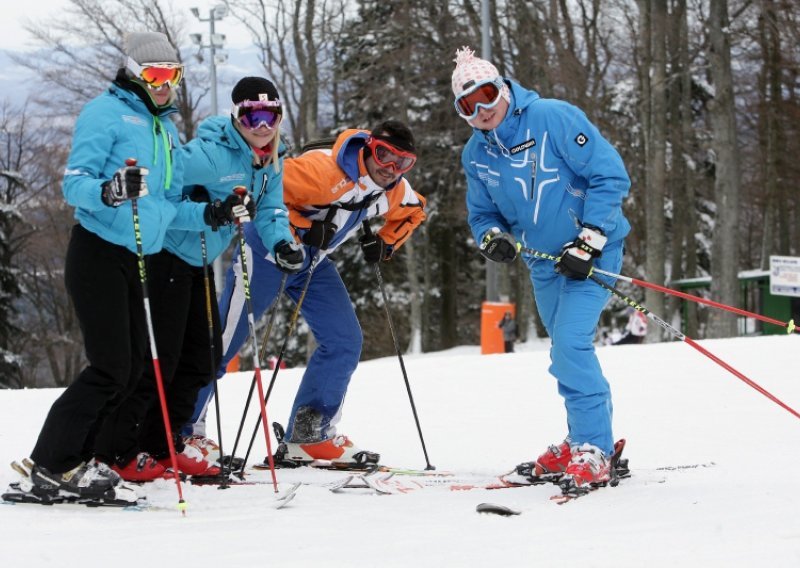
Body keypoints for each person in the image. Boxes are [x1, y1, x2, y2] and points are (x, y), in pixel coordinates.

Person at [184, 120, 426, 467]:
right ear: (369, 148)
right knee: (223, 341)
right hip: (268, 252)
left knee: (344, 340)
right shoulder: (321, 172)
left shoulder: (393, 189)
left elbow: (415, 210)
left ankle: (310, 434)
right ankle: (184, 431)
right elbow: (267, 190)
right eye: (384, 156)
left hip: (313, 264)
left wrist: (385, 244)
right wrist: (304, 227)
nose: (390, 169)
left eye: (403, 163)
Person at [14, 32, 190, 504]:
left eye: (173, 75)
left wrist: (213, 216)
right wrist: (110, 190)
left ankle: (81, 456)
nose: (164, 84)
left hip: (138, 257)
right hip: (97, 251)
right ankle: (53, 463)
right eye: (154, 75)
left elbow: (169, 202)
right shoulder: (105, 113)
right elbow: (74, 185)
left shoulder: (166, 128)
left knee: (132, 369)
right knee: (111, 367)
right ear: (133, 72)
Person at [92, 77, 295, 481]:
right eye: (252, 116)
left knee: (202, 358)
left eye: (269, 116)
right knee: (161, 359)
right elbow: (161, 190)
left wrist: (283, 245)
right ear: (237, 116)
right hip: (166, 255)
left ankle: (165, 444)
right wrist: (203, 205)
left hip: (200, 261)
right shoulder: (207, 155)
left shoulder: (272, 159)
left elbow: (271, 210)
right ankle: (120, 449)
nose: (261, 126)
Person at [451, 47, 631, 493]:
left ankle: (595, 447)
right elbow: (482, 215)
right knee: (566, 352)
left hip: (592, 254)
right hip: (545, 264)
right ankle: (583, 442)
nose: (482, 110)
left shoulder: (552, 117)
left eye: (487, 95)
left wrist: (589, 239)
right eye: (467, 105)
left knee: (570, 343)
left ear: (504, 89)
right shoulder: (476, 154)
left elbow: (610, 175)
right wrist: (492, 238)